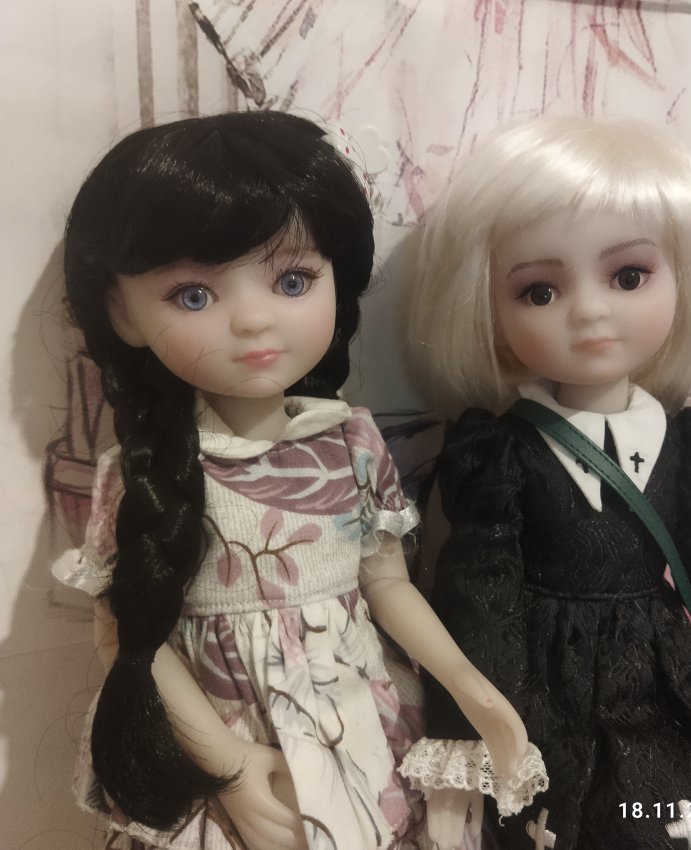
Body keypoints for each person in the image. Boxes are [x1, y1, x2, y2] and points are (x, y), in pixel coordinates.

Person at [55, 111, 544, 850]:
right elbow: (128, 638)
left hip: (361, 719)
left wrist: (469, 685)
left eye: (292, 280)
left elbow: (387, 583)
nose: (254, 321)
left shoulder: (349, 440)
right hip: (225, 736)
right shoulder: (144, 474)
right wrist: (229, 767)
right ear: (122, 312)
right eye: (194, 295)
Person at [403, 114, 691, 849]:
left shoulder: (688, 443)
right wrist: (473, 732)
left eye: (629, 276)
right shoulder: (499, 453)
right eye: (538, 291)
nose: (590, 311)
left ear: (683, 276)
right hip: (547, 690)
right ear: (484, 305)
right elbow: (481, 592)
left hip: (664, 681)